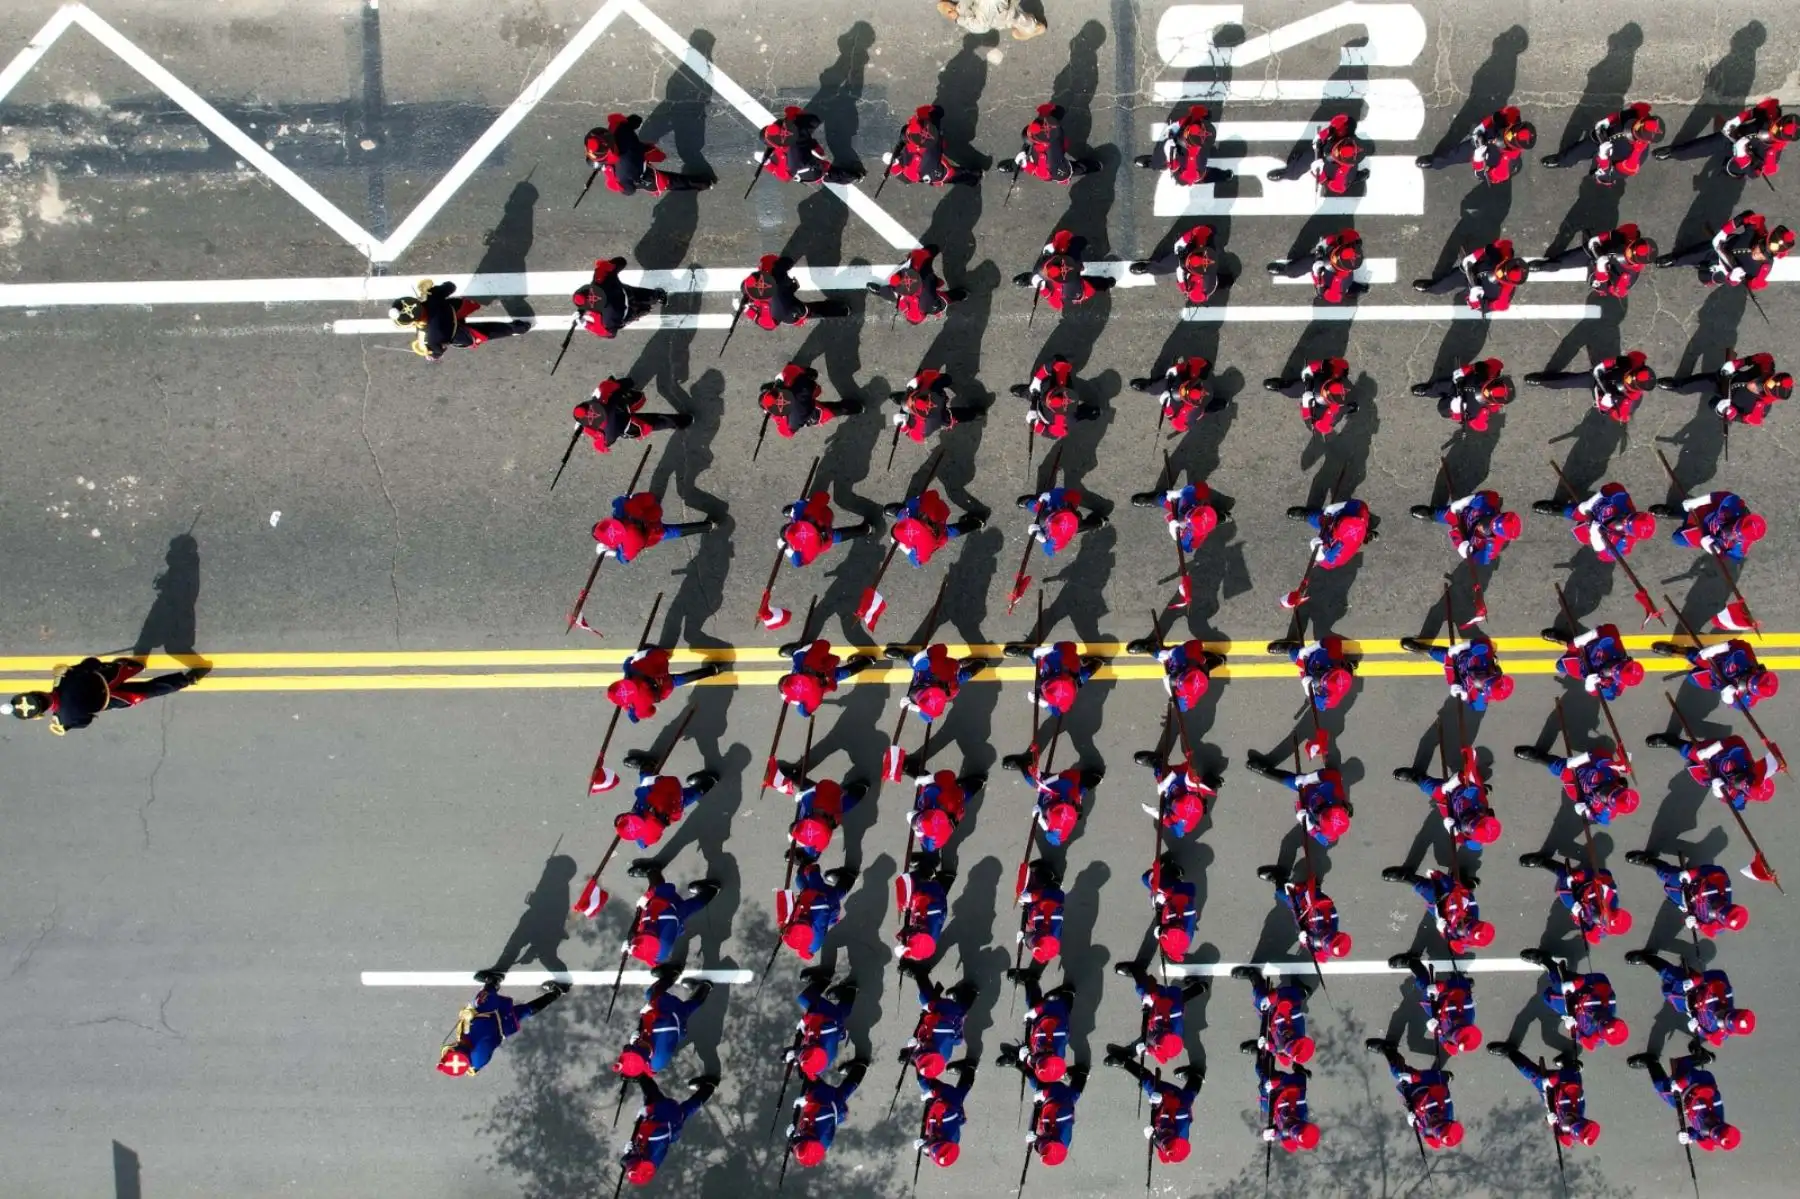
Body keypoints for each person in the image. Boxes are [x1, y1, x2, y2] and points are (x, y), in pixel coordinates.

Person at [6, 656, 203, 734]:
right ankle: (138, 666)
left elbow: (86, 721)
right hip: (105, 678)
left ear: (40, 714)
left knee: (148, 690)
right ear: (37, 692)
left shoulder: (65, 719)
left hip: (110, 700)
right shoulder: (65, 677)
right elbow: (91, 663)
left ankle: (187, 679)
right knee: (123, 668)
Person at [437, 971, 570, 1076]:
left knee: (524, 1011)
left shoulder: (472, 1062)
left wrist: (466, 1018)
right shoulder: (479, 1053)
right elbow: (486, 1034)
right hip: (494, 1020)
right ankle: (493, 980)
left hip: (498, 1024)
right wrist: (471, 1012)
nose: (454, 1045)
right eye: (455, 1048)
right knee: (484, 999)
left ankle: (557, 992)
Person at [1626, 949, 1754, 1047]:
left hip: (1685, 1005)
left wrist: (1697, 1028)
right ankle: (1648, 957)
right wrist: (1698, 980)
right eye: (1725, 1014)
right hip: (1691, 987)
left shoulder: (1719, 1033)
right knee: (1669, 973)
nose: (1720, 1016)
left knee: (1666, 991)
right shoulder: (1724, 993)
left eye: (1723, 1022)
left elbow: (1707, 1035)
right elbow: (1720, 974)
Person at [1486, 1042, 1601, 1147]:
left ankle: (1568, 1062)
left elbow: (1563, 1137)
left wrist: (1551, 1122)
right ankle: (1510, 1051)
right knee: (1530, 1072)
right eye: (1571, 1121)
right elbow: (1569, 1075)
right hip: (1558, 1082)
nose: (1567, 1122)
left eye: (1569, 1125)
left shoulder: (1571, 1132)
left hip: (1549, 1097)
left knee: (1538, 1080)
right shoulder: (1574, 1096)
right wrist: (1550, 1081)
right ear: (1578, 1118)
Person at [1654, 96, 1797, 180]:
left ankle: (1728, 169)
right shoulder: (1772, 115)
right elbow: (1753, 113)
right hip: (1733, 137)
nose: (1772, 126)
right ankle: (1674, 153)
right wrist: (1736, 120)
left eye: (1776, 130)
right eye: (1777, 124)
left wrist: (1742, 155)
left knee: (1731, 169)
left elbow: (1754, 173)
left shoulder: (1772, 153)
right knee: (1703, 146)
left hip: (1743, 158)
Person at [1518, 948, 1630, 1051]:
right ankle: (1544, 960)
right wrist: (1575, 984)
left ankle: (1563, 976)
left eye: (1603, 1024)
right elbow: (1601, 978)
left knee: (1546, 996)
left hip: (1569, 1008)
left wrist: (1572, 1027)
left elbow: (1580, 1038)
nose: (1603, 1020)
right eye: (1608, 1020)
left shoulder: (1593, 1040)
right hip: (1578, 990)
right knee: (1558, 983)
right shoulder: (1607, 998)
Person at [1626, 1049, 1740, 1151]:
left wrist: (1687, 1136)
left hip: (1685, 1100)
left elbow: (1696, 1134)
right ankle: (1702, 1056)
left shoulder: (1708, 1137)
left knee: (1661, 1088)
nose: (1711, 1124)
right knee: (1681, 1065)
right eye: (1715, 1124)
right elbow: (1705, 1079)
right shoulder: (1714, 1102)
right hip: (1695, 1082)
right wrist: (1681, 1083)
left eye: (1712, 1130)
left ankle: (1651, 1062)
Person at [388, 279, 527, 360]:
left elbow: (438, 352)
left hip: (456, 333)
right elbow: (450, 286)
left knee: (489, 331)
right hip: (454, 309)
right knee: (474, 302)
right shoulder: (432, 297)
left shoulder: (429, 339)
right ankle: (488, 292)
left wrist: (430, 354)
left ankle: (519, 328)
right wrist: (433, 291)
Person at [1394, 750, 1502, 854]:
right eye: (1471, 819)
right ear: (1482, 814)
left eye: (1468, 829)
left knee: (1428, 787)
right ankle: (1416, 776)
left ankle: (1419, 778)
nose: (1466, 822)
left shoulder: (1475, 842)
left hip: (1447, 803)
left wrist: (1452, 832)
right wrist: (1451, 784)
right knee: (1428, 786)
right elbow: (1467, 771)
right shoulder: (1475, 795)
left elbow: (1460, 839)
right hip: (1452, 790)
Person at [613, 965, 712, 1078]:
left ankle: (705, 988)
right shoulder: (658, 1026)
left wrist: (632, 1070)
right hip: (673, 1018)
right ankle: (673, 974)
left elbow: (650, 1071)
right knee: (651, 994)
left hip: (679, 1033)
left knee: (686, 1011)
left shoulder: (654, 1064)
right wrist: (649, 1010)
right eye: (634, 1045)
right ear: (640, 1045)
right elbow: (658, 1015)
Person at [1655, 209, 1794, 290]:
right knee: (1691, 254)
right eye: (1761, 245)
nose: (1758, 251)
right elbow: (1747, 216)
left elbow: (1752, 284)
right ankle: (1673, 260)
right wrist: (1723, 232)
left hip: (1725, 269)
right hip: (1720, 247)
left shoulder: (1761, 269)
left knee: (1705, 278)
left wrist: (1734, 279)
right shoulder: (1757, 231)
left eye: (1763, 253)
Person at [619, 1074, 718, 1185]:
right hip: (668, 1117)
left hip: (669, 1125)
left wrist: (628, 1153)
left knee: (687, 1109)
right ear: (641, 1159)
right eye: (633, 1159)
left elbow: (626, 1161)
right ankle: (641, 1073)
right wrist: (649, 1110)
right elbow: (651, 1130)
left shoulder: (645, 1162)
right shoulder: (655, 1143)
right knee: (652, 1095)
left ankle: (708, 1088)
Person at [1625, 850, 1749, 938]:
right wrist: (1692, 874)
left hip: (1685, 901)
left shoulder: (1717, 928)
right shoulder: (1722, 885)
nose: (1718, 908)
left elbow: (1705, 929)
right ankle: (1649, 861)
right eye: (1723, 907)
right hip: (1690, 883)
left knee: (1670, 893)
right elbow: (1717, 870)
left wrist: (1695, 924)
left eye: (1720, 914)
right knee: (1666, 875)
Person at [583, 113, 712, 198]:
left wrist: (609, 172)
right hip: (640, 150)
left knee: (671, 182)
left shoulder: (622, 173)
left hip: (642, 172)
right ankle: (703, 182)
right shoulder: (621, 129)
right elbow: (633, 120)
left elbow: (629, 190)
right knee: (659, 158)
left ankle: (703, 183)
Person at [1107, 958, 1208, 1065]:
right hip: (1168, 1000)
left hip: (1167, 1011)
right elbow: (1159, 999)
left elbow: (1155, 1049)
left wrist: (1146, 1051)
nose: (1154, 1043)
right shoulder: (1167, 1014)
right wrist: (1151, 997)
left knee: (1146, 1037)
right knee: (1143, 989)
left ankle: (1200, 988)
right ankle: (1137, 970)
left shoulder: (1164, 1044)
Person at [1365, 1040, 1464, 1148]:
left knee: (1401, 1086)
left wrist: (1414, 1122)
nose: (1433, 1120)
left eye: (1432, 1125)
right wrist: (1415, 1077)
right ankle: (1388, 1049)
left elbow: (1422, 1130)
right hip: (1425, 1083)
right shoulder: (1443, 1100)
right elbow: (1437, 1080)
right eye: (1438, 1120)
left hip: (1414, 1095)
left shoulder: (1430, 1133)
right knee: (1398, 1073)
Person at [1644, 731, 1777, 811]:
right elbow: (1734, 741)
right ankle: (1673, 741)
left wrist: (1719, 792)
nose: (1743, 782)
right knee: (1692, 752)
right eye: (1750, 779)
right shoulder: (1742, 755)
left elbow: (1732, 803)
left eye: (1746, 787)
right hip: (1716, 754)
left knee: (1698, 774)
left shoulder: (1743, 796)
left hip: (1712, 775)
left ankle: (1692, 759)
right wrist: (1709, 751)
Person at [1513, 743, 1639, 825]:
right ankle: (1539, 756)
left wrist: (1583, 811)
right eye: (1612, 791)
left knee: (1560, 771)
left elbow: (1596, 818)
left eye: (1608, 798)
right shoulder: (1608, 773)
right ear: (1618, 787)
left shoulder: (1605, 812)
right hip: (1582, 767)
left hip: (1576, 786)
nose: (1604, 794)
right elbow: (1592, 757)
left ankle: (1546, 760)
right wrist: (1575, 762)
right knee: (1556, 765)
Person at [1542, 100, 1663, 186]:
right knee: (1575, 152)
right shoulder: (1638, 116)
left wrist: (1603, 158)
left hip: (1608, 159)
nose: (1634, 123)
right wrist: (1608, 120)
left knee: (1597, 174)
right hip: (1598, 140)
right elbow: (1620, 116)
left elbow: (1610, 174)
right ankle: (1563, 161)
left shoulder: (1636, 158)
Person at [622, 861, 721, 966]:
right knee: (658, 884)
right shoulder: (658, 916)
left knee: (691, 907)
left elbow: (636, 937)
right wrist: (644, 901)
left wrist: (632, 950)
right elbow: (655, 893)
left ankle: (711, 890)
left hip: (676, 921)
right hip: (668, 908)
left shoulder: (658, 954)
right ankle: (652, 870)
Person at [1244, 754, 1352, 850]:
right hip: (1311, 786)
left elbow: (1323, 841)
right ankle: (1265, 771)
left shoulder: (1330, 833)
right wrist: (1306, 779)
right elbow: (1330, 775)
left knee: (1299, 809)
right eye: (1322, 815)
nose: (1319, 817)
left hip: (1308, 804)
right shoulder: (1334, 789)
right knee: (1287, 779)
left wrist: (1308, 825)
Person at [1520, 852, 1631, 944]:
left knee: (1566, 898)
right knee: (1565, 875)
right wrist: (1583, 876)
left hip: (1578, 903)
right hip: (1587, 884)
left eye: (1605, 922)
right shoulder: (1611, 897)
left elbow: (1587, 931)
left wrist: (1587, 932)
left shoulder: (1600, 931)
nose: (1604, 918)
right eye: (1608, 916)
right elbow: (1607, 877)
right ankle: (1544, 862)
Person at [1381, 865, 1494, 954]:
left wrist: (1441, 929)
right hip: (1450, 894)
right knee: (1438, 884)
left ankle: (1407, 877)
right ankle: (1406, 876)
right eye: (1467, 921)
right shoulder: (1470, 907)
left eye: (1464, 928)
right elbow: (1453, 888)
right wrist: (1437, 875)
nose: (1463, 923)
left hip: (1439, 908)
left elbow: (1448, 938)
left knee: (1426, 891)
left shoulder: (1458, 938)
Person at [1659, 351, 1793, 427]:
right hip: (1725, 380)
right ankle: (1677, 385)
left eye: (1762, 387)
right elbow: (1763, 357)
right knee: (1687, 387)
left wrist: (1731, 413)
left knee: (1713, 404)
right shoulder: (1767, 366)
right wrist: (1736, 364)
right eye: (1765, 380)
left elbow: (1750, 419)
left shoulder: (1760, 409)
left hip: (1728, 401)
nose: (1754, 383)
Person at [1109, 1057, 1203, 1165]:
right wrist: (1161, 1100)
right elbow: (1175, 1106)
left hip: (1168, 1109)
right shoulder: (1181, 1120)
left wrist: (1152, 1135)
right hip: (1176, 1101)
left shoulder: (1165, 1146)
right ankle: (1125, 1061)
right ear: (1175, 1136)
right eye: (1167, 1133)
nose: (1164, 1133)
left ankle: (1196, 1077)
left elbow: (1158, 1141)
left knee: (1189, 1095)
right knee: (1150, 1085)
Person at [1531, 481, 1654, 562]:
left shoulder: (1623, 546)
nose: (1622, 520)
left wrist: (1595, 536)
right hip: (1592, 512)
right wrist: (1587, 506)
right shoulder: (1620, 498)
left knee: (1579, 535)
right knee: (1571, 511)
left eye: (1625, 525)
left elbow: (1603, 555)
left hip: (1590, 530)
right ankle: (1557, 510)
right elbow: (1610, 489)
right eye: (1628, 517)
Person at [1524, 350, 1657, 424]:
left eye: (1629, 379)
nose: (1626, 377)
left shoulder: (1629, 402)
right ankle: (1543, 380)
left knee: (1572, 380)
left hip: (1601, 393)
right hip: (1600, 377)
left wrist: (1605, 405)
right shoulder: (1634, 363)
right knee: (1569, 380)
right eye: (1629, 375)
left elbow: (1616, 415)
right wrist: (1603, 365)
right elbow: (1617, 361)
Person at [612, 755, 717, 848]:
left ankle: (706, 786)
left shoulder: (649, 834)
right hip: (669, 795)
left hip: (672, 812)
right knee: (646, 778)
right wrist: (657, 781)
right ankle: (647, 765)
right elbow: (666, 783)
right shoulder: (649, 798)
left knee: (642, 845)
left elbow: (655, 838)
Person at [999, 752, 1100, 849]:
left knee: (1084, 785)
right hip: (1060, 782)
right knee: (1034, 781)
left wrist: (1042, 821)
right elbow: (1058, 780)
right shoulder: (1067, 793)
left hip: (1064, 785)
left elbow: (1053, 836)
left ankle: (1024, 764)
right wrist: (1043, 784)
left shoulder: (1058, 821)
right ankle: (1025, 763)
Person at [770, 759, 867, 860]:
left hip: (830, 802)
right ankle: (860, 789)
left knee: (843, 802)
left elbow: (813, 855)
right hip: (829, 796)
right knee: (843, 801)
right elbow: (811, 791)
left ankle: (860, 789)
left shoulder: (820, 836)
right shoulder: (810, 806)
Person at [1390, 951, 1481, 1055]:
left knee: (1425, 997)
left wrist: (1435, 1029)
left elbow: (1444, 1037)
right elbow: (1456, 988)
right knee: (1426, 984)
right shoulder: (1466, 1008)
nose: (1454, 1026)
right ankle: (1412, 962)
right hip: (1451, 994)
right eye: (1457, 1027)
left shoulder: (1453, 1038)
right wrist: (1439, 987)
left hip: (1438, 1010)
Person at [1530, 225, 1657, 299]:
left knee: (1599, 285)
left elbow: (1615, 291)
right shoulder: (1631, 232)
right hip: (1598, 251)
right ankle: (1543, 266)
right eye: (1630, 248)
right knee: (1561, 262)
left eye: (1630, 255)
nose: (1627, 252)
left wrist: (1601, 269)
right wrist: (1598, 239)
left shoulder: (1628, 277)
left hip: (1601, 275)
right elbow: (1612, 234)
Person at [998, 961, 1074, 1085]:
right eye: (1039, 1055)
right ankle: (1030, 979)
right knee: (1034, 1003)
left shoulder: (1052, 1056)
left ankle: (1015, 1061)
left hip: (1044, 1023)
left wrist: (1026, 1058)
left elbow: (1034, 1060)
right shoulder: (1055, 1032)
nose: (1037, 1055)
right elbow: (1049, 1007)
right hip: (1053, 1008)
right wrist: (1035, 1012)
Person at [785, 1058, 871, 1168]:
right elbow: (822, 1101)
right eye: (800, 1138)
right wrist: (806, 1100)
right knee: (807, 1073)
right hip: (829, 1103)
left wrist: (792, 1138)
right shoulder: (821, 1123)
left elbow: (801, 1144)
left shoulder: (816, 1146)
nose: (799, 1136)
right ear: (809, 1139)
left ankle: (858, 1068)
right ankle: (860, 1065)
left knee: (844, 1092)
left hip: (833, 1112)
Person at [899, 959, 977, 1079]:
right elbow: (929, 1012)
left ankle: (969, 994)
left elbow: (956, 1042)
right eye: (921, 1051)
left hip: (956, 1030)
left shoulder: (943, 1057)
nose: (920, 1049)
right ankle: (920, 973)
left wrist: (912, 1053)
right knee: (927, 1000)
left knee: (960, 1011)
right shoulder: (935, 1029)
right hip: (947, 1013)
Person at [1417, 105, 1535, 184]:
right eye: (1509, 130)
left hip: (1485, 154)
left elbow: (1483, 176)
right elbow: (1494, 118)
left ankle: (1436, 162)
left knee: (1458, 155)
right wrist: (1482, 127)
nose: (1505, 133)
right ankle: (1435, 162)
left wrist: (1478, 160)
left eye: (1508, 137)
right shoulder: (1512, 114)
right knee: (1454, 154)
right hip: (1482, 138)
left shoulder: (1504, 166)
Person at [1651, 637, 1777, 710]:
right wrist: (1713, 650)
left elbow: (1734, 704)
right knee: (1696, 655)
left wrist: (1727, 697)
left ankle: (1691, 668)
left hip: (1714, 681)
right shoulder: (1744, 654)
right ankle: (1675, 650)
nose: (1740, 681)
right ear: (1757, 671)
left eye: (1744, 685)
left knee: (1692, 677)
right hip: (1716, 662)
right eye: (1746, 679)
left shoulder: (1748, 701)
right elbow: (1734, 644)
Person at [606, 646, 725, 723]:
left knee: (678, 680)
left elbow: (650, 711)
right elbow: (630, 663)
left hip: (664, 688)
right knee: (650, 654)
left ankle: (712, 670)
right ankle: (711, 669)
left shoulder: (636, 707)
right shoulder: (632, 669)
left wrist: (632, 714)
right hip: (660, 670)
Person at [592, 492, 714, 564]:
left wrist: (612, 553)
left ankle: (709, 526)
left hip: (654, 533)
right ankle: (708, 525)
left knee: (675, 531)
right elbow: (619, 501)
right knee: (639, 500)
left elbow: (625, 558)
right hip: (651, 515)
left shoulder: (628, 542)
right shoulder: (619, 513)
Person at [1258, 865, 1352, 960]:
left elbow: (1311, 946)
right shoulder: (1328, 915)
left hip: (1302, 916)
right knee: (1281, 892)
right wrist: (1295, 894)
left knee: (1283, 894)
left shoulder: (1319, 946)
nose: (1322, 938)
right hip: (1306, 903)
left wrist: (1303, 940)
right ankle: (1279, 877)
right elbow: (1313, 901)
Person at [1398, 634, 1512, 710]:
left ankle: (1424, 650)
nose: (1480, 677)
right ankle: (1422, 648)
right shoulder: (1485, 657)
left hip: (1457, 672)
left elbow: (1471, 703)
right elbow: (1484, 642)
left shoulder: (1479, 703)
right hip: (1462, 655)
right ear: (1493, 673)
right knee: (1439, 652)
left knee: (1442, 656)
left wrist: (1462, 694)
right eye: (1486, 675)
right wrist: (1461, 646)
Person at [1409, 490, 1521, 567]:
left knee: (1455, 530)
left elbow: (1477, 558)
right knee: (1443, 514)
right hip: (1464, 515)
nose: (1481, 526)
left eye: (1487, 530)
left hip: (1464, 536)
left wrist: (1465, 551)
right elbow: (1478, 497)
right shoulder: (1488, 503)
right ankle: (1433, 514)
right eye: (1488, 521)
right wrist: (1463, 502)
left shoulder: (1490, 550)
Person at [1230, 966, 1314, 1067]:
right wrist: (1271, 998)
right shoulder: (1295, 1018)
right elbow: (1288, 993)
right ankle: (1254, 975)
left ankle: (1258, 1047)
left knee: (1270, 1055)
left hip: (1271, 1023)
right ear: (1297, 1036)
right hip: (1277, 1009)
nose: (1286, 1037)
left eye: (1286, 1041)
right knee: (1260, 1001)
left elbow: (1278, 1050)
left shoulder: (1288, 1050)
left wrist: (1267, 1046)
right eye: (1289, 1038)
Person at [1413, 239, 1528, 313]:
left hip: (1476, 288)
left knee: (1463, 290)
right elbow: (1491, 248)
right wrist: (1474, 256)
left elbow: (1482, 307)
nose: (1496, 272)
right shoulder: (1505, 253)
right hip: (1472, 271)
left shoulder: (1502, 299)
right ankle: (1432, 288)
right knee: (1445, 283)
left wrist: (1474, 299)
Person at [1127, 224, 1233, 305]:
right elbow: (1179, 243)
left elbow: (1183, 285)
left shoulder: (1202, 288)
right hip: (1201, 263)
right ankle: (1149, 268)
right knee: (1165, 264)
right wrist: (1180, 251)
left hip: (1198, 272)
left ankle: (1149, 268)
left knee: (1166, 265)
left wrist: (1181, 270)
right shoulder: (1199, 234)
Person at [735, 255, 847, 331]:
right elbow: (785, 262)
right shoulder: (776, 280)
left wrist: (748, 311)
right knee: (808, 311)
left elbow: (767, 324)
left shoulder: (775, 308)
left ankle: (843, 310)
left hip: (786, 307)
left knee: (807, 311)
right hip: (788, 306)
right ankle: (840, 310)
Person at [1012, 230, 1114, 313]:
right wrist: (1043, 288)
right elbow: (1058, 305)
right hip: (1080, 284)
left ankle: (1083, 242)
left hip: (1074, 264)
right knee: (1095, 284)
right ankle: (1108, 282)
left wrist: (1053, 245)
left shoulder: (1057, 259)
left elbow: (1064, 234)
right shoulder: (1068, 288)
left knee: (1077, 243)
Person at [1266, 113, 1370, 194]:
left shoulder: (1343, 171)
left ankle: (1354, 178)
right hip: (1325, 150)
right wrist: (1323, 134)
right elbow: (1339, 122)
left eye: (1338, 155)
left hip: (1333, 169)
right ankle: (1290, 173)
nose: (1335, 152)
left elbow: (1337, 188)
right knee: (1305, 160)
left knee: (1347, 180)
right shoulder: (1348, 130)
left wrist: (1321, 176)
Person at [1651, 491, 1765, 564]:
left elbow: (1725, 555)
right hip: (1706, 514)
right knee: (1686, 510)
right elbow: (1715, 497)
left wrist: (1711, 548)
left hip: (1707, 536)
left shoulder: (1739, 549)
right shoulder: (1734, 505)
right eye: (1732, 529)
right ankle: (1674, 512)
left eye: (1734, 535)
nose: (1729, 532)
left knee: (1677, 538)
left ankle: (1683, 520)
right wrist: (1696, 502)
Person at [881, 104, 982, 187]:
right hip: (936, 148)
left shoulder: (921, 161)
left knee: (952, 175)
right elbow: (933, 114)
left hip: (935, 170)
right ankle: (973, 175)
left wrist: (895, 166)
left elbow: (908, 179)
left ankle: (973, 178)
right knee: (952, 172)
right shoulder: (929, 127)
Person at [757, 363, 863, 440]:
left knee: (834, 410)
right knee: (804, 378)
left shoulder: (790, 422)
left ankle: (859, 407)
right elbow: (815, 388)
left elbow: (787, 433)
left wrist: (776, 416)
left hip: (808, 412)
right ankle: (856, 406)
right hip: (805, 390)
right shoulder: (791, 377)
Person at [1002, 639, 1103, 720]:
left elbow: (1057, 711)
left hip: (1064, 668)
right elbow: (1066, 645)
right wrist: (1045, 650)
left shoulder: (1065, 698)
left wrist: (1042, 702)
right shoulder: (1057, 658)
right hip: (1060, 665)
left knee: (1084, 675)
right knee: (1036, 658)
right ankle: (1096, 664)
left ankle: (1094, 665)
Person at [894, 644, 992, 727]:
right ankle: (977, 665)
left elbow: (928, 718)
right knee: (963, 675)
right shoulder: (931, 669)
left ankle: (972, 665)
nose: (914, 693)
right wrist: (925, 654)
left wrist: (913, 707)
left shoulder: (933, 668)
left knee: (962, 675)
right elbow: (928, 718)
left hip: (949, 671)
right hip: (949, 673)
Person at [777, 639, 879, 718]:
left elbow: (804, 713)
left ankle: (868, 661)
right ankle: (798, 648)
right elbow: (824, 644)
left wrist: (793, 699)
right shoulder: (803, 662)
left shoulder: (812, 700)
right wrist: (799, 652)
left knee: (842, 674)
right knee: (801, 652)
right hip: (824, 668)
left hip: (826, 683)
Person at [999, 103, 1099, 184]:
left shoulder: (1046, 161)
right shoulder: (1052, 130)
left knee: (1075, 169)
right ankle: (1017, 164)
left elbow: (1043, 174)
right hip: (1059, 145)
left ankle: (1091, 166)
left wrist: (1026, 165)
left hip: (1056, 168)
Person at [885, 488, 985, 567]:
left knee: (952, 532)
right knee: (951, 531)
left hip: (937, 534)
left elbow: (917, 562)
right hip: (938, 521)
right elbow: (930, 495)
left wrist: (902, 547)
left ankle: (976, 523)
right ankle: (976, 523)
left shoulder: (924, 544)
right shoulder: (924, 511)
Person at [760, 106, 861, 185]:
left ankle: (856, 175)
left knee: (828, 174)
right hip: (810, 150)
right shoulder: (793, 128)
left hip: (813, 166)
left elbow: (784, 176)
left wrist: (767, 164)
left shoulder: (788, 157)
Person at [778, 490, 876, 571]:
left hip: (824, 540)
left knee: (835, 537)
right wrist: (802, 506)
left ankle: (867, 529)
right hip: (825, 515)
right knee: (802, 505)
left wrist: (789, 550)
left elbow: (797, 563)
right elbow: (825, 496)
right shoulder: (806, 513)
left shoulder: (804, 551)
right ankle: (867, 529)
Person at [1544, 622, 1645, 701]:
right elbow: (1609, 628)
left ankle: (1567, 647)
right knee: (1571, 644)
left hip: (1579, 667)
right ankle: (1563, 638)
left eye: (1614, 674)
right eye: (1615, 667)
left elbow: (1603, 694)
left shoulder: (1616, 687)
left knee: (1560, 665)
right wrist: (1586, 637)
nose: (1610, 670)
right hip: (1584, 649)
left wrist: (1590, 687)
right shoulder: (1616, 647)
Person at [788, 966, 857, 1080]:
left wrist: (797, 1056)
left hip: (837, 1030)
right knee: (804, 998)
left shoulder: (821, 1064)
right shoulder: (824, 1035)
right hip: (830, 1019)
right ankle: (825, 979)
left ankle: (850, 990)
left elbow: (809, 1061)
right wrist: (804, 1021)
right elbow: (815, 1017)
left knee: (842, 1013)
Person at [1133, 747, 1217, 840]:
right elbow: (1178, 774)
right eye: (1176, 800)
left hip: (1173, 794)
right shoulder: (1191, 787)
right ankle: (1158, 763)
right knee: (1165, 775)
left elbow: (1171, 824)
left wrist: (1156, 813)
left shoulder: (1184, 825)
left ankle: (1157, 763)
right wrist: (1166, 783)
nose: (1173, 802)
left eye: (1174, 804)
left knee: (1162, 780)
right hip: (1181, 777)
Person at [572, 257, 668, 338]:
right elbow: (621, 261)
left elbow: (609, 334)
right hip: (624, 292)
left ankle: (642, 310)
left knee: (626, 317)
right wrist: (606, 266)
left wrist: (586, 324)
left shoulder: (605, 319)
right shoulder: (601, 278)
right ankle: (658, 296)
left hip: (624, 313)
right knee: (638, 293)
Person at [1010, 355, 1102, 440]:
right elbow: (1056, 361)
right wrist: (1037, 379)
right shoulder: (1061, 376)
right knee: (1059, 359)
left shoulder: (1063, 421)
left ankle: (1085, 412)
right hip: (1047, 391)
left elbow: (1053, 435)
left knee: (1076, 417)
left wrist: (1036, 425)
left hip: (1058, 413)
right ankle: (1028, 392)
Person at [779, 861, 857, 961]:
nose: (799, 918)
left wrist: (784, 929)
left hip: (826, 915)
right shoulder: (818, 912)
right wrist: (812, 872)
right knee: (831, 893)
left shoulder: (810, 945)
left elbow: (807, 953)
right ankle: (848, 878)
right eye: (801, 920)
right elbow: (818, 896)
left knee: (800, 880)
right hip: (828, 904)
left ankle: (805, 866)